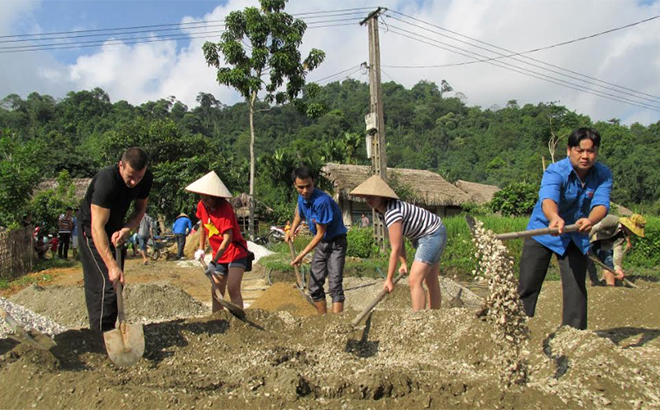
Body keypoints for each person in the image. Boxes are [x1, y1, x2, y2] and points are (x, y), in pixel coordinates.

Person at [518, 128, 612, 330]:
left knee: (576, 287)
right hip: (543, 231)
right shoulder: (556, 170)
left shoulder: (603, 174)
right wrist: (554, 218)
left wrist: (590, 220)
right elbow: (548, 198)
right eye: (580, 150)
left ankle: (573, 334)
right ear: (569, 150)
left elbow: (602, 204)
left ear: (597, 152)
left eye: (591, 151)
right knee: (528, 284)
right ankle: (517, 327)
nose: (586, 156)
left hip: (575, 234)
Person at [78, 147, 153, 333]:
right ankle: (100, 336)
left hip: (116, 230)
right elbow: (97, 227)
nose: (134, 182)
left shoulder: (144, 179)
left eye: (139, 177)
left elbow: (140, 209)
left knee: (117, 283)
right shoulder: (106, 181)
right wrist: (111, 265)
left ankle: (111, 332)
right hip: (91, 230)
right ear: (121, 165)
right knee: (106, 283)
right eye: (130, 176)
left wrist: (127, 229)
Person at [351, 175, 448, 311]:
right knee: (430, 280)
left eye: (372, 196)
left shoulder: (392, 212)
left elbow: (395, 249)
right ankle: (434, 316)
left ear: (382, 196)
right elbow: (400, 239)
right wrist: (403, 263)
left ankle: (418, 319)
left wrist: (389, 279)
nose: (369, 200)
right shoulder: (382, 213)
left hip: (431, 235)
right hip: (430, 234)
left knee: (414, 280)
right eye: (366, 197)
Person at [285, 166, 348, 315]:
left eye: (308, 186)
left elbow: (320, 234)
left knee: (334, 285)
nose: (305, 191)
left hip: (336, 244)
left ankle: (336, 323)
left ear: (313, 182)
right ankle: (322, 320)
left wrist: (301, 255)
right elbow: (299, 215)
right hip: (322, 245)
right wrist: (291, 230)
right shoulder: (302, 198)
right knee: (314, 285)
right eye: (301, 187)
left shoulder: (322, 201)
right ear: (295, 185)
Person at [187, 171, 248, 311]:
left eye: (208, 199)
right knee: (216, 291)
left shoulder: (225, 209)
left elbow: (228, 239)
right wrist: (201, 248)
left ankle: (239, 322)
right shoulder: (202, 206)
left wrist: (214, 262)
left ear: (216, 197)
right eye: (202, 198)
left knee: (232, 287)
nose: (205, 202)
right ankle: (218, 320)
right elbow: (203, 225)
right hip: (219, 255)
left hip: (235, 252)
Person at [587, 213, 646, 286]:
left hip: (604, 245)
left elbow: (617, 249)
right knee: (589, 263)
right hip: (591, 239)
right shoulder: (611, 220)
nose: (633, 233)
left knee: (609, 264)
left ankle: (611, 288)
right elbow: (594, 228)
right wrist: (584, 243)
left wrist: (618, 268)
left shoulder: (623, 234)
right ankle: (594, 282)